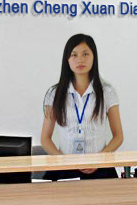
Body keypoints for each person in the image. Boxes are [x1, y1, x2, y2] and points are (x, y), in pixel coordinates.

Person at [40, 34, 124, 180]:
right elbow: (45, 138)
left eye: (85, 54)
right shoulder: (54, 93)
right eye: (74, 55)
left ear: (94, 58)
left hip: (100, 168)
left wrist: (99, 160)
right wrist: (63, 161)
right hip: (64, 168)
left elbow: (118, 136)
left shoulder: (107, 92)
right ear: (67, 60)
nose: (80, 59)